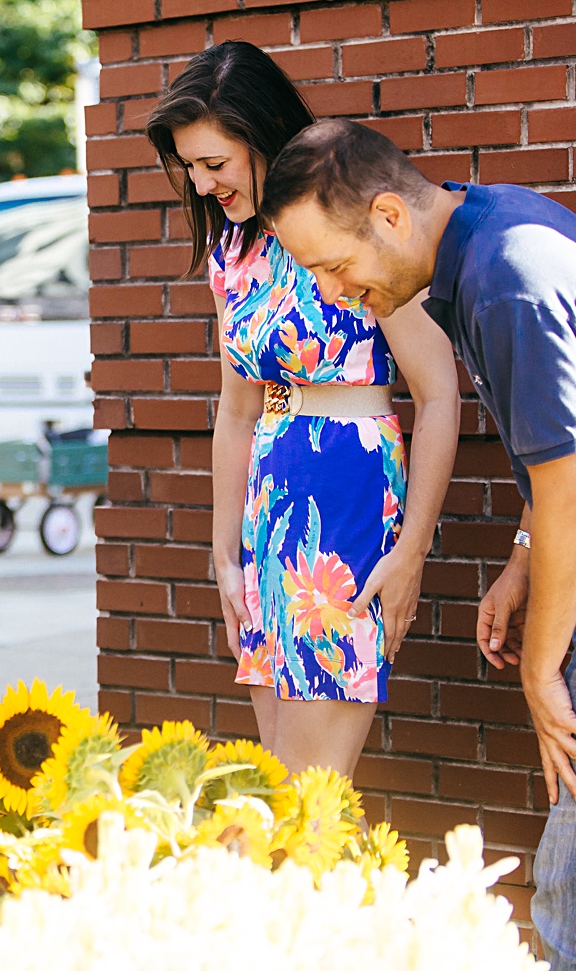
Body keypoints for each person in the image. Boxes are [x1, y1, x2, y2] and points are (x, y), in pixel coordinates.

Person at [258, 117, 576, 971]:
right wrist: (526, 554)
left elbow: (575, 489)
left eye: (333, 266)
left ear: (388, 215)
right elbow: (575, 452)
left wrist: (539, 674)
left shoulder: (504, 283)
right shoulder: (486, 231)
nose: (335, 291)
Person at [143, 43, 459, 780]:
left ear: (259, 134)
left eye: (214, 162)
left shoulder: (347, 221)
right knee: (277, 784)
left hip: (344, 505)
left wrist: (410, 551)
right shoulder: (232, 252)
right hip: (268, 510)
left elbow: (439, 392)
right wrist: (225, 551)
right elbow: (236, 410)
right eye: (190, 166)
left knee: (311, 789)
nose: (201, 182)